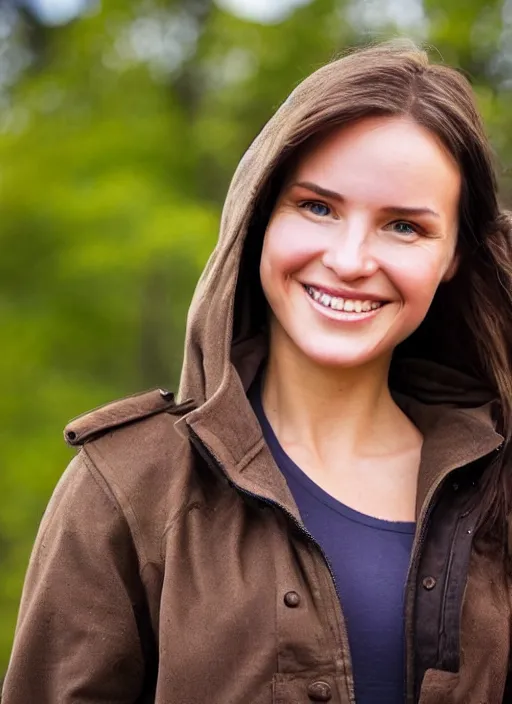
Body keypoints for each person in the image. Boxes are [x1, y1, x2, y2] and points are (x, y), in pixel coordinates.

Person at [3, 38, 512, 704]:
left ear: (453, 257)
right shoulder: (129, 485)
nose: (351, 259)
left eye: (405, 228)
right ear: (259, 219)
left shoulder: (498, 486)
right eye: (318, 207)